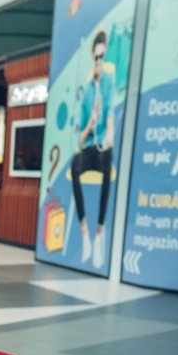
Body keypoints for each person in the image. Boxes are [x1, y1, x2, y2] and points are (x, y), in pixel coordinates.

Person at [71, 29, 114, 267]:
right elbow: (80, 140)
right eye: (96, 57)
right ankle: (85, 231)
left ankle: (99, 232)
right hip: (89, 145)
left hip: (102, 146)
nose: (99, 61)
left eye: (102, 56)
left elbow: (111, 115)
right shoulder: (87, 91)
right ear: (92, 57)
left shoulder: (109, 83)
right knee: (75, 165)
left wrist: (109, 135)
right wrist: (91, 121)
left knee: (108, 161)